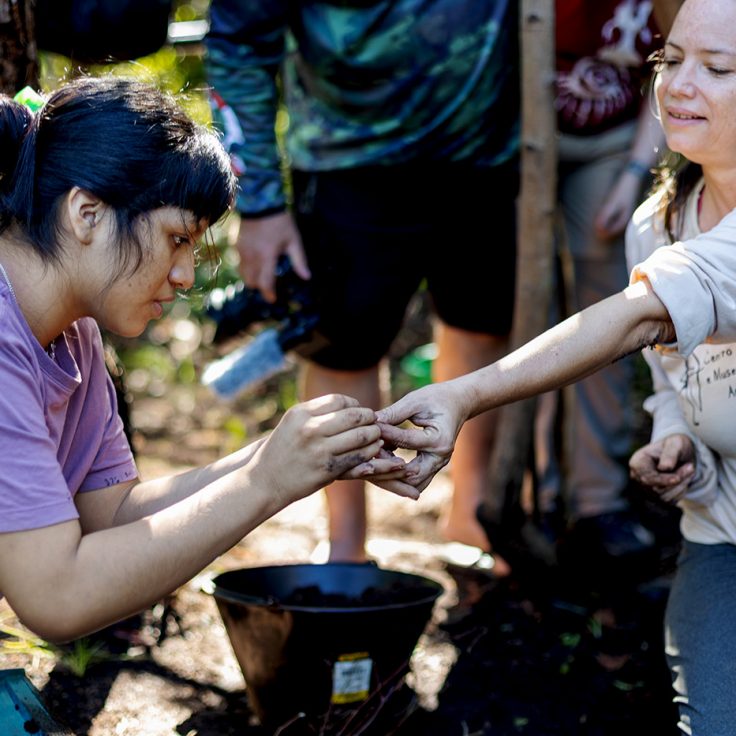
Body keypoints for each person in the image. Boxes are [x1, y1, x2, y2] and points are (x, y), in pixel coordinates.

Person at [373, 0, 736, 729]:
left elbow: (633, 317)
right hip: (720, 532)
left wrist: (464, 395)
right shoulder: (659, 222)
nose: (677, 85)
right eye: (669, 60)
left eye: (718, 68)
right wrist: (678, 439)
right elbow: (673, 375)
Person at [0, 75, 414, 643]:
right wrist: (265, 482)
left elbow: (114, 514)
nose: (186, 275)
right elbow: (56, 598)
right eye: (176, 237)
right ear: (86, 212)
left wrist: (281, 457)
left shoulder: (74, 337)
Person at [205, 0, 520, 561]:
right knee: (342, 345)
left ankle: (470, 513)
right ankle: (345, 545)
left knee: (480, 324)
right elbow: (238, 47)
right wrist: (259, 206)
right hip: (345, 157)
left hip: (488, 151)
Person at [528, 0, 665, 558]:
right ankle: (526, 485)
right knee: (520, 318)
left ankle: (596, 500)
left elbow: (674, 66)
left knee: (606, 311)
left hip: (612, 145)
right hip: (521, 143)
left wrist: (634, 173)